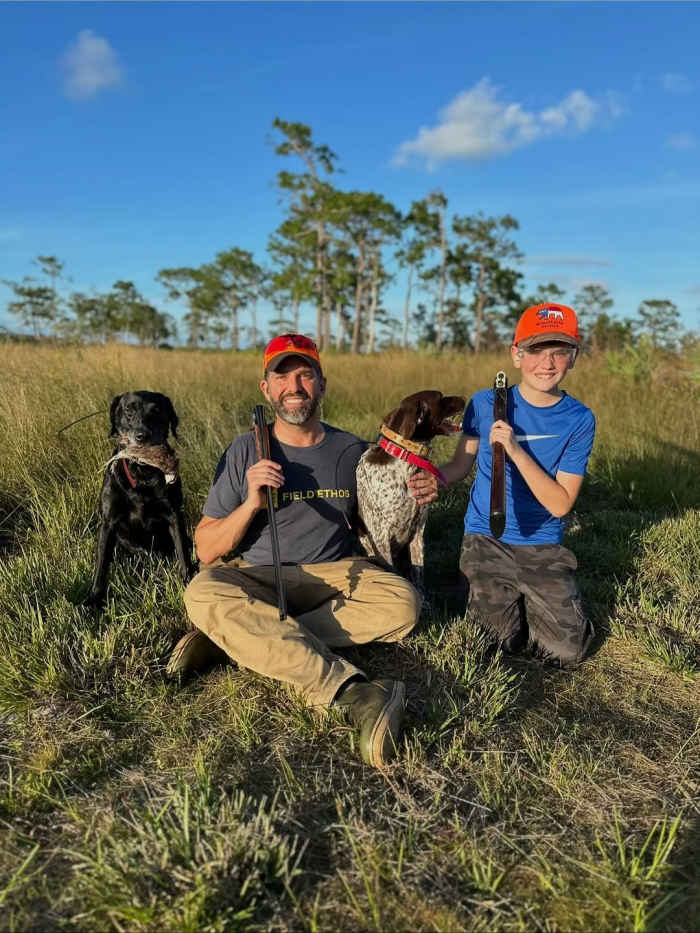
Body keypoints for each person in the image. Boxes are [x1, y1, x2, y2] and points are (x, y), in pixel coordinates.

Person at [167, 333, 421, 768]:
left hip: (337, 574)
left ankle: (238, 640)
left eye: (306, 376)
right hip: (258, 577)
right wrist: (250, 503)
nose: (295, 387)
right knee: (202, 593)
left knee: (404, 606)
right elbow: (206, 548)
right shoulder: (245, 449)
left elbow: (384, 520)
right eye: (282, 377)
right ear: (266, 389)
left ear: (322, 385)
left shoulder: (352, 450)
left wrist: (418, 490)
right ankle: (354, 693)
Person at [409, 304, 595, 667]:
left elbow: (560, 505)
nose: (547, 362)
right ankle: (483, 584)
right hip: (486, 535)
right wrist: (437, 478)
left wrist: (514, 449)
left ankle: (527, 594)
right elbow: (461, 463)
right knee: (490, 644)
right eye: (536, 350)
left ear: (573, 358)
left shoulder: (579, 418)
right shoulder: (484, 403)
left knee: (566, 651)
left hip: (542, 542)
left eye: (560, 351)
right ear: (516, 355)